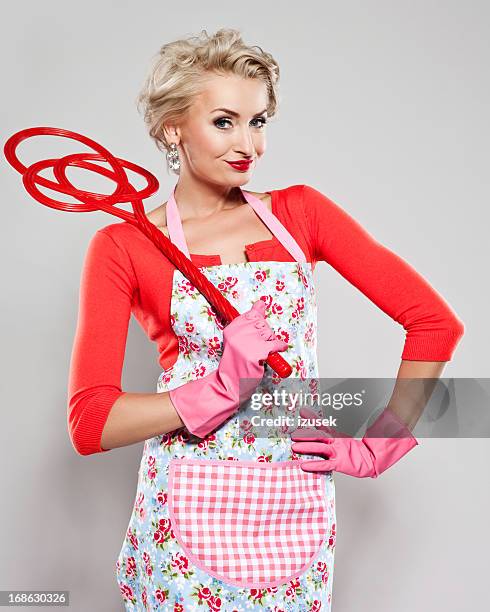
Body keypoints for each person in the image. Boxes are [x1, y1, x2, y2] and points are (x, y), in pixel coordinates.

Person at [67, 28, 465, 611]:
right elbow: (91, 423)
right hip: (186, 503)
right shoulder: (126, 244)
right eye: (224, 121)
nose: (248, 144)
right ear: (172, 128)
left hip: (291, 502)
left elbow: (435, 323)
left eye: (258, 122)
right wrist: (215, 391)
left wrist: (385, 439)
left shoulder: (303, 213)